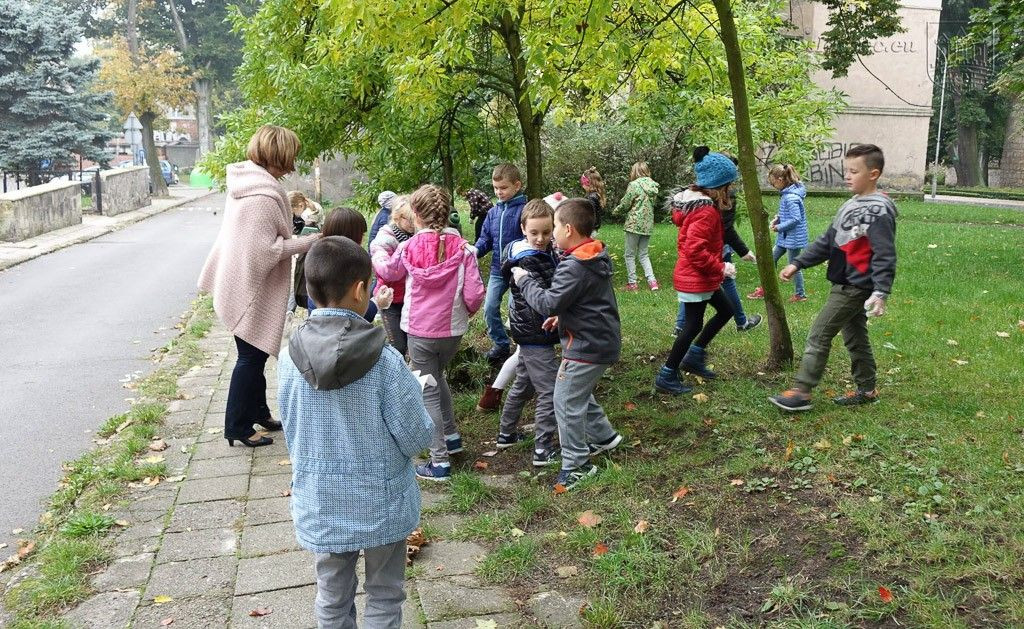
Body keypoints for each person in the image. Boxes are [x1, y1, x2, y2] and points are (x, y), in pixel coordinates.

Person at [277, 236, 434, 628]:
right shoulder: (384, 360)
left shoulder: (289, 356)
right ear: (362, 289)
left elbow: (292, 426)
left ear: (310, 290)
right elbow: (416, 436)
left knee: (331, 598)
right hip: (381, 503)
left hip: (320, 501)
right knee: (384, 594)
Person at [198, 124, 320, 448]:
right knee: (250, 358)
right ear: (279, 155)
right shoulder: (262, 196)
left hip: (240, 280)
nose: (294, 162)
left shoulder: (247, 182)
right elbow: (265, 251)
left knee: (254, 354)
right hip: (250, 288)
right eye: (291, 155)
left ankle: (258, 411)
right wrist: (308, 242)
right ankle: (237, 425)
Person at [770, 144, 897, 412]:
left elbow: (885, 254)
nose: (847, 176)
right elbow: (828, 241)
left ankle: (802, 393)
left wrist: (881, 291)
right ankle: (867, 388)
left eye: (854, 171)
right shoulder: (851, 205)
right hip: (844, 282)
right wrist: (798, 263)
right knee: (855, 337)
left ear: (873, 174)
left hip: (855, 285)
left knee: (819, 334)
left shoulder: (879, 210)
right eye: (846, 170)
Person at [511, 198, 622, 490]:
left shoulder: (574, 265)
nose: (554, 232)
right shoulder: (592, 255)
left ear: (569, 229)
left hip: (586, 346)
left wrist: (525, 281)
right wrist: (564, 316)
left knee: (564, 400)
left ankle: (576, 465)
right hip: (598, 339)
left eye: (556, 226)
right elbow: (587, 300)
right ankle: (605, 437)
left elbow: (547, 302)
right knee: (577, 393)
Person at [377, 184, 485, 481]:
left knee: (427, 392)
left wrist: (376, 250)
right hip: (451, 331)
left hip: (420, 332)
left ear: (415, 214)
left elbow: (389, 272)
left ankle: (439, 463)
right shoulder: (463, 248)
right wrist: (465, 314)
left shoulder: (408, 247)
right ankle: (451, 438)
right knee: (438, 379)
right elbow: (476, 294)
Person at [654, 147, 738, 396]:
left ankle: (695, 356)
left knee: (726, 310)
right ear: (719, 186)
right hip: (696, 276)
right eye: (729, 185)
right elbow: (694, 250)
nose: (731, 190)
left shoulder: (701, 207)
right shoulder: (705, 212)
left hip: (701, 276)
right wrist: (721, 266)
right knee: (691, 325)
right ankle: (667, 374)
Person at [494, 200, 561, 467]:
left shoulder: (536, 252)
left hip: (526, 330)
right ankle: (543, 449)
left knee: (524, 382)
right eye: (534, 233)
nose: (540, 238)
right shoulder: (529, 260)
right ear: (523, 229)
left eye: (546, 232)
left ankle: (506, 432)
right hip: (536, 332)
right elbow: (545, 297)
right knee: (550, 391)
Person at [674, 152, 762, 334]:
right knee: (710, 286)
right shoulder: (713, 202)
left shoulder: (694, 197)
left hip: (703, 253)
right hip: (713, 250)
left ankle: (682, 328)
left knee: (696, 291)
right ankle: (741, 322)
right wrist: (742, 252)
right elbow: (723, 230)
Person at [474, 164, 528, 366]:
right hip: (498, 269)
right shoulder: (493, 212)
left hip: (519, 271)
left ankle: (523, 348)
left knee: (517, 311)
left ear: (517, 185)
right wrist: (473, 252)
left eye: (503, 188)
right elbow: (485, 239)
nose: (498, 192)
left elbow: (531, 238)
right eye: (496, 188)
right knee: (489, 308)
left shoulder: (525, 210)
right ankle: (501, 344)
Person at [748, 163, 809, 302]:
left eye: (773, 183)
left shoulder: (791, 197)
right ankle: (766, 289)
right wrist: (778, 219)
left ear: (780, 180)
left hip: (793, 238)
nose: (773, 186)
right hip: (785, 237)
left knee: (794, 266)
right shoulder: (787, 194)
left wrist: (779, 227)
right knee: (771, 260)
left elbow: (795, 219)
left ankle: (800, 294)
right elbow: (788, 214)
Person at [313, 208, 379, 324]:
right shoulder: (353, 265)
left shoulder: (316, 257)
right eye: (362, 234)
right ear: (353, 236)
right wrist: (377, 303)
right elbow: (353, 318)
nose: (363, 239)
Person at [369, 195, 414, 356]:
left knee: (413, 347)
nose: (415, 224)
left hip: (412, 300)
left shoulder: (416, 235)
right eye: (410, 219)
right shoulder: (385, 238)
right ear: (398, 217)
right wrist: (404, 249)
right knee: (398, 346)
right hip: (391, 301)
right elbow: (386, 272)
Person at [612, 161, 660, 291]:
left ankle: (632, 283)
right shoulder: (653, 186)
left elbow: (626, 203)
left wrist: (616, 211)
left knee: (629, 254)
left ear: (635, 172)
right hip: (647, 224)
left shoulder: (634, 185)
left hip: (634, 224)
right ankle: (652, 282)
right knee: (644, 254)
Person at [288, 191, 323, 315]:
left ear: (300, 206)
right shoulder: (314, 207)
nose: (293, 215)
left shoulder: (308, 217)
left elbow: (307, 236)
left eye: (293, 211)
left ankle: (290, 311)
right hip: (317, 252)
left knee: (301, 283)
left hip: (309, 253)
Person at [579, 166, 606, 234]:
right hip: (594, 228)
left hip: (590, 228)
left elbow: (589, 215)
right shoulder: (596, 195)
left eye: (583, 183)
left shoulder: (591, 197)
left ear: (588, 183)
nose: (582, 186)